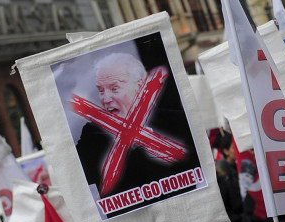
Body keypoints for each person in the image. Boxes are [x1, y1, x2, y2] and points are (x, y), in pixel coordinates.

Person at [74, 52, 201, 208]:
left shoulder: (178, 121)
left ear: (140, 86)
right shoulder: (92, 134)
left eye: (114, 89)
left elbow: (199, 175)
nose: (106, 99)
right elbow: (80, 183)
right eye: (101, 90)